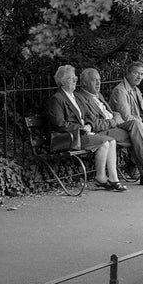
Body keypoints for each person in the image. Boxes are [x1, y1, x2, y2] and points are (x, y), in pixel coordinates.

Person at [76, 67, 143, 188]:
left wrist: (116, 116)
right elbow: (93, 123)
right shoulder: (81, 98)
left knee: (138, 127)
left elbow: (112, 112)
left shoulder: (98, 95)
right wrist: (113, 121)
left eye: (99, 80)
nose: (98, 83)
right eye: (94, 80)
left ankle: (141, 164)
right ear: (84, 82)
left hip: (116, 125)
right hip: (105, 131)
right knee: (142, 135)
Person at [46, 64, 126, 192]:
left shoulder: (75, 97)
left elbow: (87, 115)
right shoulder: (57, 99)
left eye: (75, 78)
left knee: (111, 141)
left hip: (82, 133)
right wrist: (81, 128)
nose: (75, 80)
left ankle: (113, 178)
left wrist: (89, 125)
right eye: (71, 78)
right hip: (69, 137)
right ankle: (101, 177)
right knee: (105, 142)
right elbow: (59, 124)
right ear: (62, 82)